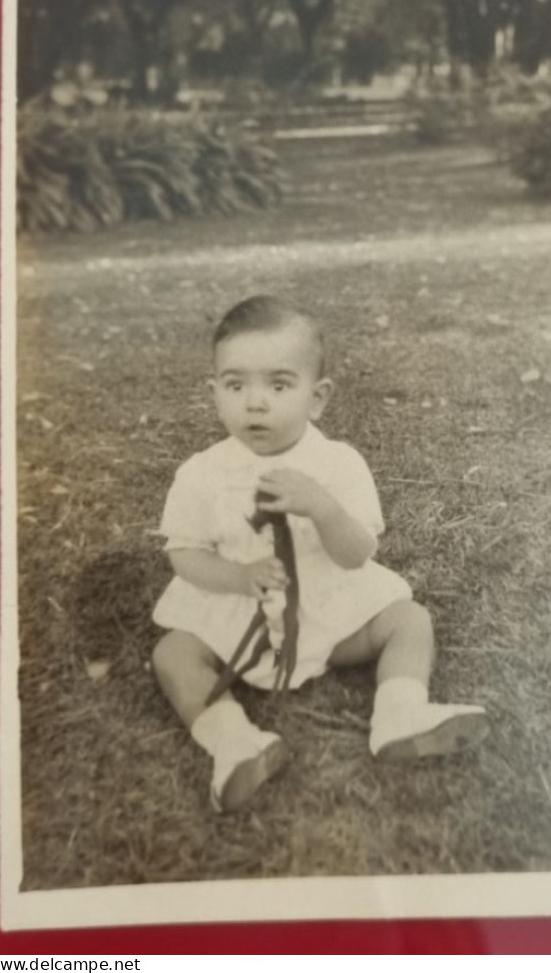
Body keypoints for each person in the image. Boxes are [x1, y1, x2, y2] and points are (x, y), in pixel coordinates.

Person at [152, 295, 488, 812]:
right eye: (236, 385)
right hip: (237, 620)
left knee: (408, 619)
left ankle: (400, 713)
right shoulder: (201, 473)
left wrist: (324, 508)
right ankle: (235, 743)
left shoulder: (338, 465)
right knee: (173, 653)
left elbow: (358, 555)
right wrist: (239, 576)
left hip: (330, 613)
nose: (255, 403)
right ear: (214, 392)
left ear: (318, 398)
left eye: (279, 385)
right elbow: (185, 555)